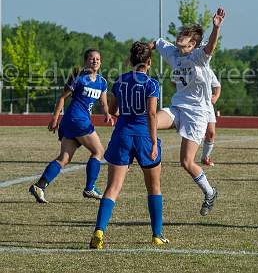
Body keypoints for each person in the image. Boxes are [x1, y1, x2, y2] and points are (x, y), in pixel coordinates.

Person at [89, 41, 169, 249]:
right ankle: (157, 234)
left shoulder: (121, 81)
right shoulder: (151, 84)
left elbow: (113, 110)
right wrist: (153, 143)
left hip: (122, 134)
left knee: (112, 188)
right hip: (143, 135)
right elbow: (152, 114)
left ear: (131, 60)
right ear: (149, 62)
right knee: (154, 188)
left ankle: (99, 230)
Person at [153, 7, 225, 216]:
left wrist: (216, 28)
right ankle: (134, 156)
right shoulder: (173, 53)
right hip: (177, 107)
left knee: (186, 162)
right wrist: (141, 52)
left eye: (184, 36)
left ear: (192, 44)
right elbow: (157, 43)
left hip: (197, 114)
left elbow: (211, 46)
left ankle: (210, 193)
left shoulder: (198, 57)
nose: (179, 37)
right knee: (149, 121)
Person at [29, 49, 113, 204]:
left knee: (64, 158)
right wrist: (55, 118)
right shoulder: (78, 78)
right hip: (76, 120)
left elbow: (103, 103)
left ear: (101, 63)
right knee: (98, 151)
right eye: (91, 58)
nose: (95, 61)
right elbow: (62, 98)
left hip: (73, 122)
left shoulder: (102, 82)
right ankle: (90, 188)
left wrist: (107, 113)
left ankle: (39, 186)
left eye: (98, 59)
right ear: (86, 61)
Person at [201, 69, 221, 166]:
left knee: (211, 133)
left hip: (208, 106)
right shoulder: (188, 67)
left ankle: (205, 157)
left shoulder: (208, 70)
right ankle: (187, 159)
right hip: (193, 105)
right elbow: (174, 81)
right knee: (195, 134)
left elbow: (217, 85)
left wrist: (216, 96)